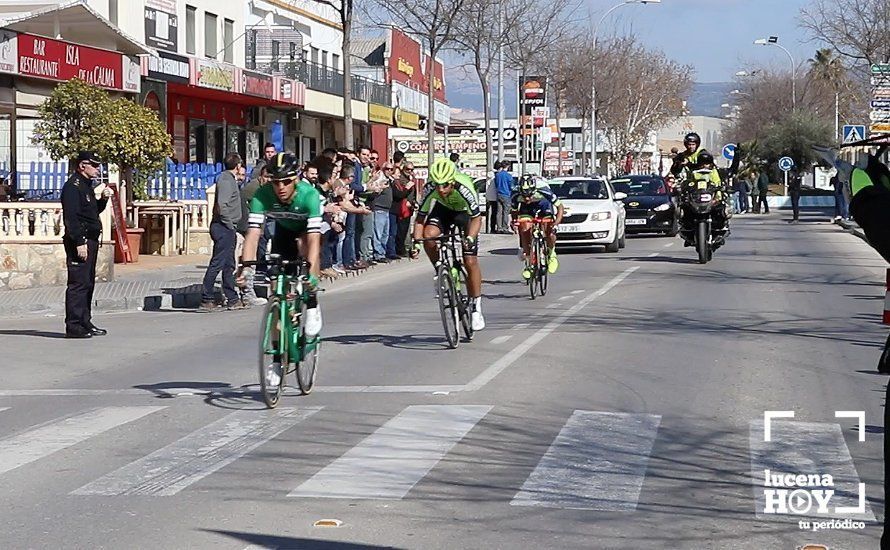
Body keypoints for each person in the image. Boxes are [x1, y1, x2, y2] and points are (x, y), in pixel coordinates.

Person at [239, 153, 323, 346]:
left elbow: (314, 239)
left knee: (306, 249)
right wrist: (247, 267)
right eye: (276, 182)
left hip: (306, 231)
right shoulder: (262, 194)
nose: (281, 187)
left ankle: (311, 302)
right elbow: (253, 234)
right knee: (276, 288)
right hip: (284, 231)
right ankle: (277, 360)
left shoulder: (309, 195)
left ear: (296, 179)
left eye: (286, 182)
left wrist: (311, 274)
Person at [411, 158, 485, 331]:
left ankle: (476, 306)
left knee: (470, 260)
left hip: (465, 214)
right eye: (437, 185)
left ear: (452, 181)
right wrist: (416, 243)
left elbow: (477, 218)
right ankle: (440, 269)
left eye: (445, 185)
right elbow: (420, 219)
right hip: (443, 211)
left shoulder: (464, 187)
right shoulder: (431, 188)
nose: (441, 189)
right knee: (428, 236)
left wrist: (471, 238)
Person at [60, 151, 113, 338]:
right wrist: (79, 242)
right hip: (80, 241)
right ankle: (74, 326)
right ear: (83, 166)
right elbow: (71, 218)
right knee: (78, 284)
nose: (98, 169)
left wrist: (103, 200)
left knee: (88, 283)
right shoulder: (73, 187)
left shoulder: (86, 185)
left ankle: (85, 321)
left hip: (90, 239)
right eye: (94, 165)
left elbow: (91, 212)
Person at [201, 152, 244, 311]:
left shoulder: (230, 180)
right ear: (238, 165)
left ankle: (232, 297)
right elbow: (222, 205)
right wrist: (229, 224)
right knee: (217, 263)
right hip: (223, 227)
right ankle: (207, 297)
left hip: (228, 227)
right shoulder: (226, 180)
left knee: (228, 264)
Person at [511, 174, 564, 279]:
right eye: (524, 196)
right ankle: (529, 262)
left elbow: (560, 207)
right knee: (525, 229)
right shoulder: (515, 195)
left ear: (534, 190)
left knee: (548, 230)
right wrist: (514, 222)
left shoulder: (544, 190)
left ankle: (551, 253)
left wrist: (555, 224)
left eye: (529, 195)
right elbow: (514, 211)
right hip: (527, 209)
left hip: (543, 205)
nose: (527, 198)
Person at [495, 161, 513, 233]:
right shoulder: (508, 176)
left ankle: (499, 228)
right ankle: (505, 228)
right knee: (506, 212)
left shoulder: (497, 175)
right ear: (508, 166)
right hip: (506, 194)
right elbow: (511, 186)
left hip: (499, 194)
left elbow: (496, 184)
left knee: (499, 212)